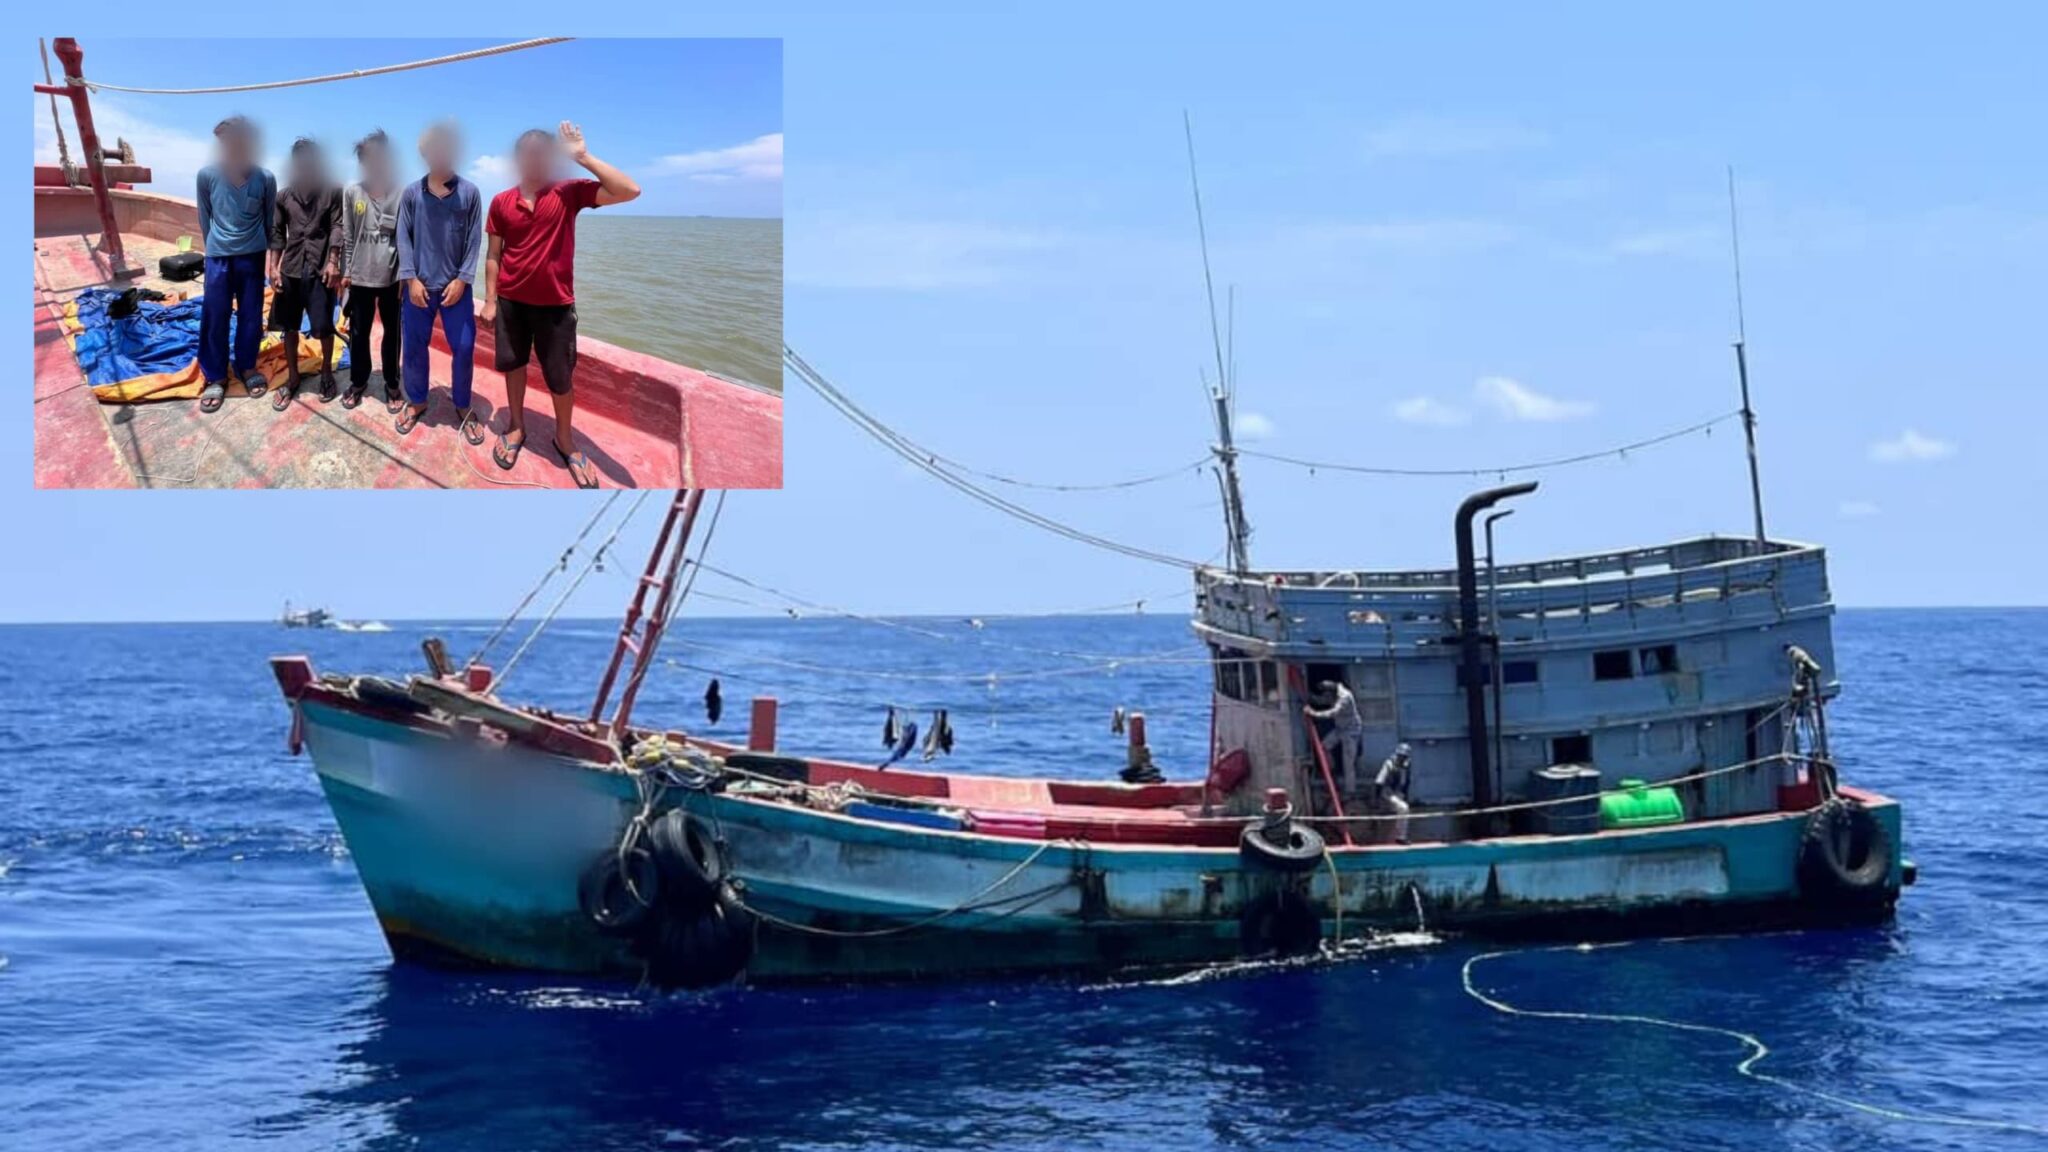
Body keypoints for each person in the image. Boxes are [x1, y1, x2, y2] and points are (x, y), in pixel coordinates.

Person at [480, 121, 640, 488]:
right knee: (514, 367)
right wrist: (489, 300)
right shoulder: (501, 201)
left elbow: (629, 190)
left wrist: (583, 156)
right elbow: (493, 255)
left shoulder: (568, 193)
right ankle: (516, 426)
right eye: (528, 154)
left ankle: (564, 439)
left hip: (555, 306)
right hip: (511, 302)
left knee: (560, 377)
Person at [394, 121, 485, 443]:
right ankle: (417, 400)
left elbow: (474, 240)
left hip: (455, 289)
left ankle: (462, 404)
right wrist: (410, 278)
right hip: (419, 287)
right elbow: (403, 237)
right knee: (414, 346)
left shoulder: (470, 193)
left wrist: (463, 279)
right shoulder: (411, 193)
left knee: (464, 346)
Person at [194, 116, 275, 414]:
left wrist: (266, 258)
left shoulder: (265, 178)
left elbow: (269, 221)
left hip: (252, 258)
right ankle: (216, 375)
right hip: (218, 257)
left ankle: (246, 366)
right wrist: (215, 248)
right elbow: (205, 218)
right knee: (215, 315)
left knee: (251, 315)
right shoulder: (207, 176)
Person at [266, 138, 343, 408]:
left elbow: (337, 226)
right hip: (291, 269)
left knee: (323, 327)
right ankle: (293, 377)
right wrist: (273, 268)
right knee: (288, 326)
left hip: (320, 270)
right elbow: (277, 233)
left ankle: (326, 373)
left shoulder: (332, 192)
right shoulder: (283, 197)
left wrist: (333, 262)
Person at [338, 129, 405, 412]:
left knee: (393, 333)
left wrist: (405, 276)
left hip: (392, 279)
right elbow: (348, 235)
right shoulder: (353, 192)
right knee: (359, 332)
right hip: (360, 277)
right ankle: (358, 381)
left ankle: (392, 382)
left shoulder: (401, 193)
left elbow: (406, 238)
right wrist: (346, 273)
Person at [1304, 678, 1364, 791]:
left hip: (1351, 732)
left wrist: (1313, 713)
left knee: (1348, 764)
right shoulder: (1334, 694)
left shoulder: (1345, 698)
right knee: (1323, 747)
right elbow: (1322, 701)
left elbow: (1333, 712)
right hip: (1340, 729)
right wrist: (1308, 696)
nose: (1327, 697)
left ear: (1331, 692)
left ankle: (1350, 791)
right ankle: (1332, 770)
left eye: (1327, 694)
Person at [1376, 743, 1414, 845]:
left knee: (1404, 807)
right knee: (1403, 808)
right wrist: (1377, 799)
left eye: (1405, 756)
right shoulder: (1389, 764)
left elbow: (1407, 782)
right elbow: (1379, 782)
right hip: (1387, 792)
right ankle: (1401, 837)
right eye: (1401, 756)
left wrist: (1405, 796)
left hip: (1398, 792)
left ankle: (1400, 835)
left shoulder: (1407, 765)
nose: (1403, 759)